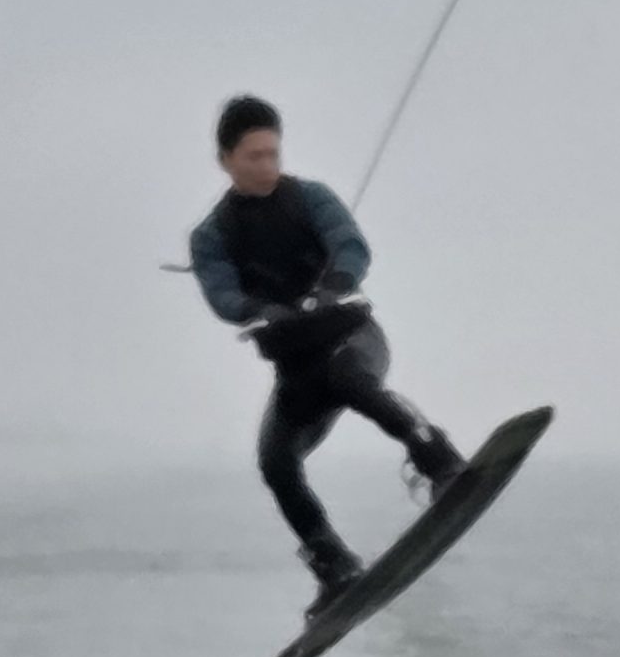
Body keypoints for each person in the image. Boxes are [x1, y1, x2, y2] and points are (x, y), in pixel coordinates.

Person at [188, 95, 468, 613]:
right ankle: (332, 563)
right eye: (254, 156)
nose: (268, 166)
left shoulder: (310, 198)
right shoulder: (212, 236)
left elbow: (350, 245)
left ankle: (439, 459)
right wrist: (259, 310)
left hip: (354, 340)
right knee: (275, 462)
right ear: (225, 159)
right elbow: (221, 293)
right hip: (298, 370)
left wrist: (331, 286)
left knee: (347, 377)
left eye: (273, 153)